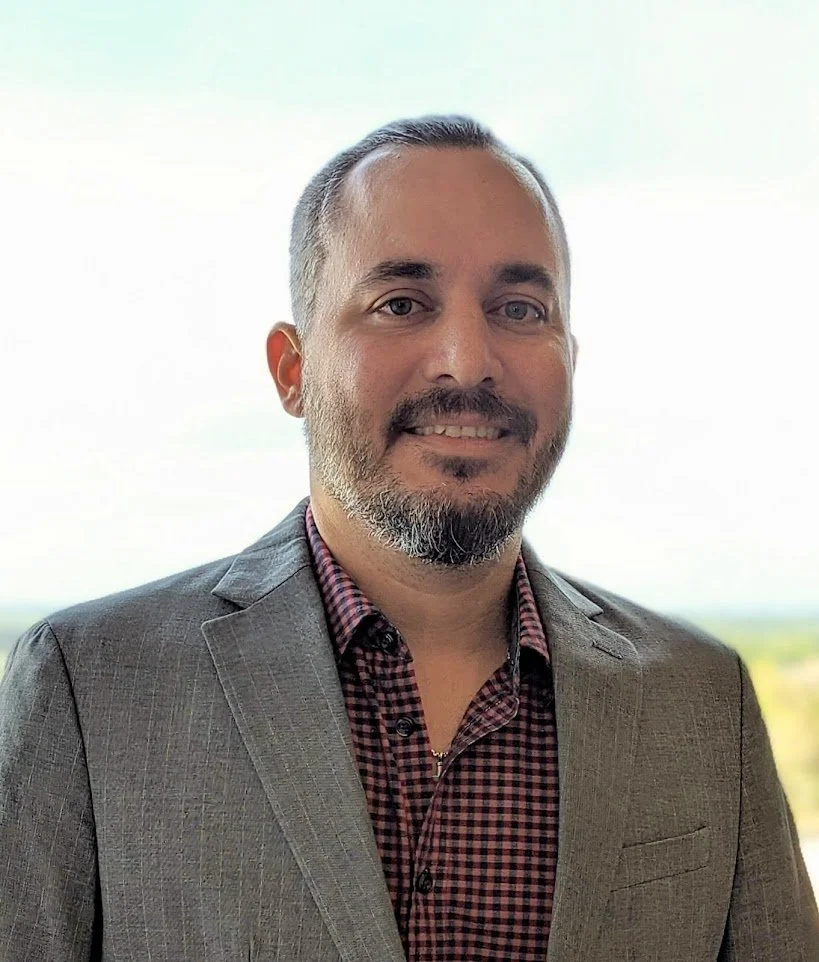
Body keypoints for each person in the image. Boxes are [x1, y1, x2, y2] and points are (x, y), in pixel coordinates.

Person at [0, 115, 816, 962]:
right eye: (400, 304)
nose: (467, 360)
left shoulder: (700, 697)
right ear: (292, 370)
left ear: (568, 359)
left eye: (518, 309)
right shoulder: (90, 686)